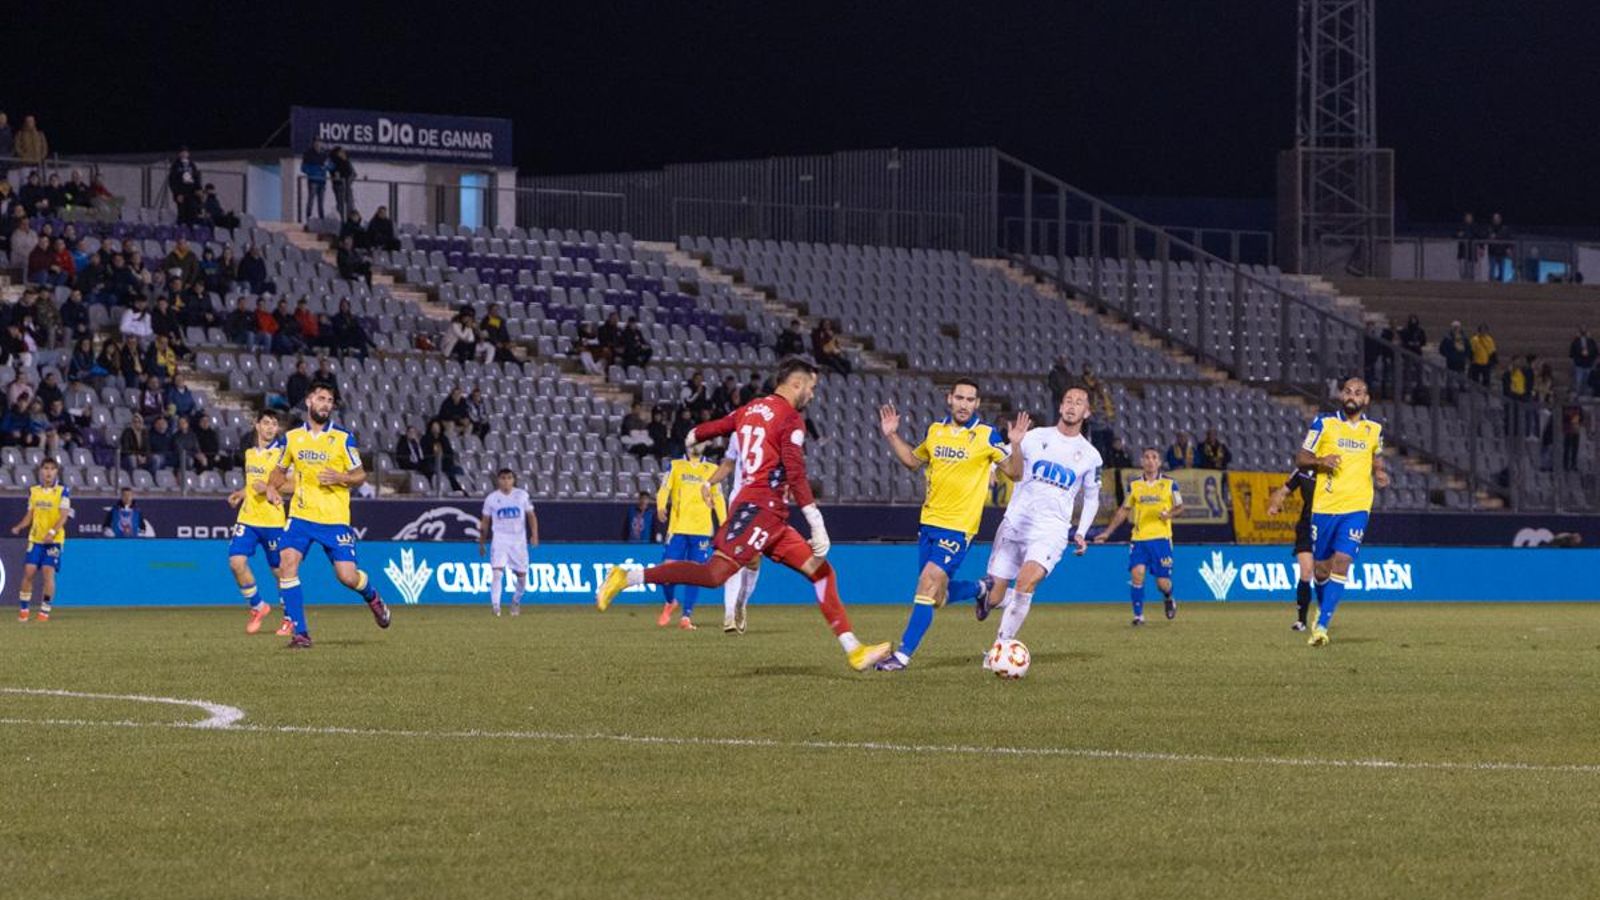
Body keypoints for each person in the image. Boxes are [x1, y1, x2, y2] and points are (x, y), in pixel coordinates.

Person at [596, 357, 891, 672]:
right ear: (797, 384)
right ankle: (628, 577)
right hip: (758, 509)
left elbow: (713, 428)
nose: (813, 394)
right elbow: (796, 473)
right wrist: (817, 524)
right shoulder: (790, 418)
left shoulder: (749, 409)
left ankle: (854, 650)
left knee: (822, 572)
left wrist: (693, 436)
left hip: (771, 515)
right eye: (812, 387)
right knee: (714, 575)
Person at [872, 379, 1010, 671]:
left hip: (959, 527)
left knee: (927, 582)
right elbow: (912, 461)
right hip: (929, 524)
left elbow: (1017, 472)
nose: (964, 404)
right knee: (936, 596)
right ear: (950, 399)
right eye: (959, 397)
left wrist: (1017, 446)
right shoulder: (936, 431)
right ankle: (980, 589)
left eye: (970, 399)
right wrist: (892, 435)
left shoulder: (987, 436)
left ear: (977, 404)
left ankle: (902, 656)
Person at [976, 385, 1103, 667]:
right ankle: (1001, 599)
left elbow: (1092, 498)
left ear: (1087, 411)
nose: (1072, 405)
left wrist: (1080, 532)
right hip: (1016, 522)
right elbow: (1002, 457)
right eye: (1068, 400)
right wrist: (991, 471)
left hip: (1052, 529)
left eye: (1079, 402)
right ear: (1060, 407)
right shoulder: (1035, 437)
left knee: (1026, 580)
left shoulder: (1091, 455)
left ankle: (999, 649)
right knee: (995, 596)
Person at [264, 382, 392, 648]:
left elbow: (360, 475)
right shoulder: (292, 438)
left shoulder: (343, 438)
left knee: (347, 576)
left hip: (334, 520)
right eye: (321, 398)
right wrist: (270, 488)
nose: (325, 404)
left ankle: (373, 597)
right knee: (287, 563)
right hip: (300, 517)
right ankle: (300, 634)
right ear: (309, 401)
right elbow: (279, 471)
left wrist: (341, 476)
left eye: (330, 400)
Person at [1293, 376, 1389, 647]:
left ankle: (1322, 625)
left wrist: (1379, 471)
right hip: (1325, 508)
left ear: (1366, 400)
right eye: (1348, 391)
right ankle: (1321, 613)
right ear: (1341, 395)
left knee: (1343, 562)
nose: (1352, 396)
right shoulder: (1324, 424)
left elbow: (1375, 456)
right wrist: (1321, 461)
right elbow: (1301, 458)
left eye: (1359, 392)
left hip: (1357, 507)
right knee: (1321, 571)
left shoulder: (1374, 429)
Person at [1095, 448, 1184, 625]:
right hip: (1139, 538)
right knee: (1137, 574)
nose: (1150, 461)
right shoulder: (1134, 485)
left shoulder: (1170, 484)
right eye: (1147, 457)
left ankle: (1168, 597)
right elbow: (1124, 510)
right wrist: (1107, 532)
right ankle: (1138, 616)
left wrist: (1170, 514)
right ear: (1142, 461)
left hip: (1161, 539)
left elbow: (1180, 506)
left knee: (1162, 583)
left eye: (1154, 458)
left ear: (1159, 462)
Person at [226, 411, 295, 636]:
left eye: (274, 424)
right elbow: (253, 484)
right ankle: (258, 607)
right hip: (248, 518)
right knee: (236, 562)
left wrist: (268, 489)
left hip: (273, 521)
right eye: (265, 423)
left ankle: (289, 618)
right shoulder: (249, 453)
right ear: (257, 426)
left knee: (280, 571)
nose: (269, 427)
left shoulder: (283, 455)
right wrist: (241, 492)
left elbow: (293, 485)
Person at [652, 442, 726, 630]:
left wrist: (724, 523)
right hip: (677, 528)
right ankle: (670, 602)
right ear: (687, 445)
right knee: (666, 573)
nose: (697, 445)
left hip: (701, 530)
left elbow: (717, 497)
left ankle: (686, 617)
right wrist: (661, 506)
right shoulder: (676, 465)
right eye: (694, 442)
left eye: (700, 442)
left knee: (695, 574)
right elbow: (664, 489)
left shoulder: (712, 468)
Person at [9, 459, 72, 622]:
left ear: (56, 472)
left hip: (54, 540)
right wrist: (20, 526)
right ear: (40, 472)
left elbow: (64, 515)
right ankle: (24, 610)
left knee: (47, 572)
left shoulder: (63, 491)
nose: (48, 472)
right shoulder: (33, 491)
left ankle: (44, 611)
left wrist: (52, 532)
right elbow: (30, 515)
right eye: (45, 469)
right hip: (36, 539)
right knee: (29, 571)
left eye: (52, 469)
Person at [478, 469, 539, 617]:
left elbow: (531, 516)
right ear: (498, 480)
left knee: (522, 577)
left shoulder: (522, 496)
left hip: (518, 541)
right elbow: (485, 522)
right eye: (503, 478)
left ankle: (516, 601)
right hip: (500, 539)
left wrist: (534, 535)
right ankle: (496, 607)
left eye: (509, 478)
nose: (506, 481)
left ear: (513, 480)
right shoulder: (492, 499)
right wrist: (481, 542)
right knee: (497, 572)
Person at [1266, 467, 1318, 631]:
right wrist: (1275, 504)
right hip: (1307, 525)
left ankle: (1323, 617)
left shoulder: (1336, 466)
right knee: (1306, 571)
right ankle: (1301, 621)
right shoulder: (1303, 470)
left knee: (1324, 573)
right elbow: (1282, 492)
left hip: (1329, 524)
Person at [300, 140, 329, 221]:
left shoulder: (324, 154)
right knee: (311, 201)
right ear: (313, 144)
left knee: (321, 203)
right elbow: (303, 168)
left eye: (319, 143)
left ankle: (322, 220)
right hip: (313, 180)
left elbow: (330, 166)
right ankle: (308, 219)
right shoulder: (308, 154)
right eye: (316, 143)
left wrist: (325, 167)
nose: (318, 145)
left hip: (322, 181)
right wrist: (315, 170)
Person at [328, 147, 357, 219]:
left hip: (347, 186)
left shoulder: (347, 161)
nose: (342, 154)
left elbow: (353, 173)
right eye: (340, 152)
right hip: (339, 186)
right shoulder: (333, 161)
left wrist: (349, 182)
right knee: (341, 204)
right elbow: (331, 170)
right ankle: (342, 219)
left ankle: (350, 220)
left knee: (350, 204)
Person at [1570, 327, 1598, 398]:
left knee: (1587, 383)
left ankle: (1586, 398)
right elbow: (1572, 352)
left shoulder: (1591, 341)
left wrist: (1588, 353)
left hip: (1588, 364)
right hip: (1579, 365)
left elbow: (1595, 351)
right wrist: (1580, 353)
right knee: (1579, 382)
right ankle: (1578, 397)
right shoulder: (1576, 341)